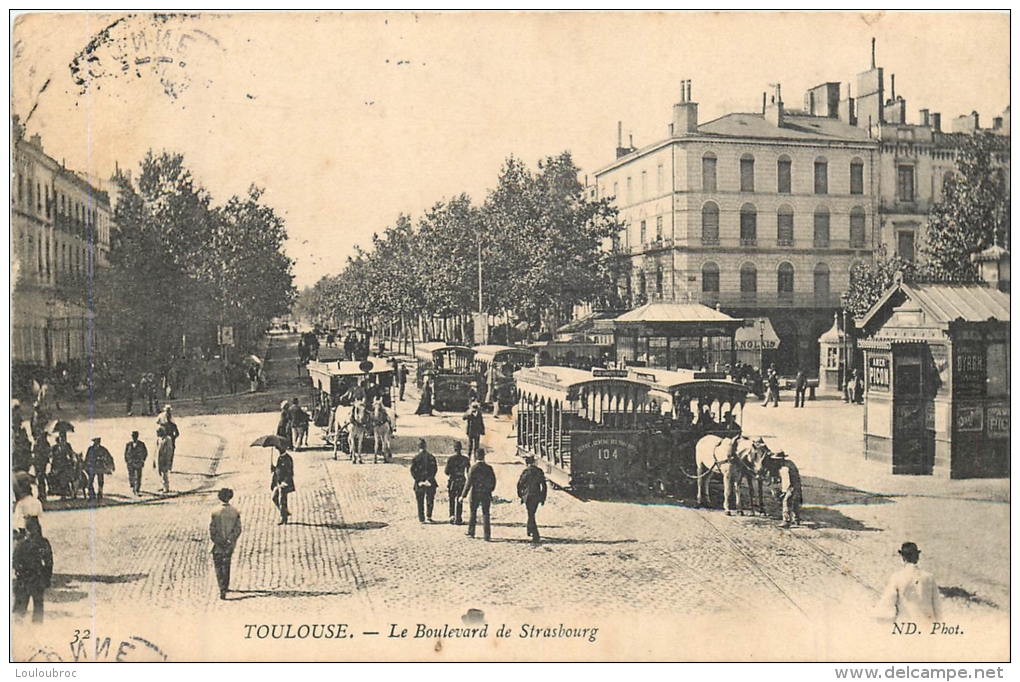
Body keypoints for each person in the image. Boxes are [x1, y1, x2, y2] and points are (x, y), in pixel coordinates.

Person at [876, 542, 941, 623]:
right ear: (917, 557)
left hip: (905, 626)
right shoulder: (929, 577)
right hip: (927, 626)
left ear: (903, 557)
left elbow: (887, 603)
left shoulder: (896, 577)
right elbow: (937, 607)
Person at [12, 516, 52, 623]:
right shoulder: (42, 542)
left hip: (24, 578)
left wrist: (19, 572)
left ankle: (18, 630)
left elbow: (14, 562)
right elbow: (48, 563)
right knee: (37, 607)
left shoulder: (21, 544)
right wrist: (46, 578)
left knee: (21, 609)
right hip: (36, 577)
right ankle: (36, 629)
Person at [209, 488, 242, 600]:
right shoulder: (235, 511)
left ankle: (221, 586)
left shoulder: (215, 512)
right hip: (229, 544)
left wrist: (218, 540)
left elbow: (212, 529)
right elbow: (238, 529)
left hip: (218, 544)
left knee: (218, 565)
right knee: (226, 564)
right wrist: (230, 540)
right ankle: (225, 586)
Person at [461, 447, 496, 541]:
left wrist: (463, 495)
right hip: (485, 494)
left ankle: (471, 532)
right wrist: (489, 490)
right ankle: (487, 535)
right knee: (486, 513)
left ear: (475, 457)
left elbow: (468, 483)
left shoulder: (473, 468)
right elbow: (493, 482)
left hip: (475, 493)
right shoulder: (489, 468)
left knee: (473, 513)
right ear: (484, 456)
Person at [517, 455, 548, 543]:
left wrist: (521, 495)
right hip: (536, 496)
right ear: (534, 462)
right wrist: (543, 497)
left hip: (527, 496)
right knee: (532, 513)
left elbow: (519, 484)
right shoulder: (539, 471)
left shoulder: (525, 472)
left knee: (531, 514)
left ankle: (535, 534)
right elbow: (544, 486)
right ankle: (531, 531)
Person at [770, 451, 802, 527]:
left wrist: (784, 492)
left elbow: (786, 481)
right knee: (795, 501)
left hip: (791, 486)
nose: (775, 461)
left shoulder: (784, 468)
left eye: (776, 460)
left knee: (786, 501)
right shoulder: (790, 463)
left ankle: (786, 521)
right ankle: (796, 519)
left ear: (780, 460)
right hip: (797, 485)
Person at [410, 439, 438, 523]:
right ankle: (429, 516)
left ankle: (421, 518)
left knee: (420, 500)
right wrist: (429, 479)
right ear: (425, 446)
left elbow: (412, 471)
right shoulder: (431, 457)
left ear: (418, 447)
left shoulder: (415, 458)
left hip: (419, 482)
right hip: (430, 482)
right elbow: (434, 470)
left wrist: (419, 480)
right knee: (430, 499)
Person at [444, 441, 470, 525]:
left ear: (454, 449)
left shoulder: (451, 459)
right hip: (461, 480)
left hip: (452, 480)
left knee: (451, 499)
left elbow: (446, 472)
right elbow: (468, 472)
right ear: (461, 449)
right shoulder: (465, 459)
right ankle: (458, 517)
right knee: (460, 499)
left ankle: (452, 516)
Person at [85, 437, 115, 502]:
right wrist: (86, 465)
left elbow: (109, 457)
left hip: (100, 467)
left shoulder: (103, 449)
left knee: (100, 481)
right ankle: (91, 495)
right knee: (90, 482)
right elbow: (87, 458)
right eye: (96, 441)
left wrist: (111, 465)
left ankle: (100, 493)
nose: (97, 442)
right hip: (92, 467)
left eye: (98, 441)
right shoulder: (90, 449)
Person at [271, 448, 295, 524]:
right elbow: (279, 470)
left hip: (285, 483)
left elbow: (290, 472)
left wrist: (284, 482)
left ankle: (283, 518)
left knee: (282, 500)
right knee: (274, 497)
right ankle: (285, 512)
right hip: (279, 482)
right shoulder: (280, 458)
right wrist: (274, 469)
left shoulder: (288, 459)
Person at [124, 431, 148, 496]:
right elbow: (125, 453)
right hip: (130, 463)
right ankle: (132, 487)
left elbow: (145, 453)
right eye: (132, 436)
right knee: (131, 476)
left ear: (137, 436)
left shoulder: (141, 444)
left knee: (138, 476)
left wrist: (143, 460)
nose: (133, 437)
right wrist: (127, 461)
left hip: (138, 463)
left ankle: (137, 489)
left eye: (135, 436)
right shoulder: (128, 444)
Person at [31, 431, 51, 502]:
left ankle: (42, 494)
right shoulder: (41, 444)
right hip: (39, 463)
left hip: (40, 463)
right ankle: (42, 494)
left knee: (40, 478)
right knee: (40, 479)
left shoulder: (40, 444)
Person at [155, 426, 175, 494]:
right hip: (159, 458)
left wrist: (168, 460)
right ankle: (162, 486)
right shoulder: (159, 439)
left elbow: (169, 450)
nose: (157, 434)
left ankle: (166, 487)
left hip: (164, 459)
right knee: (160, 472)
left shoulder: (168, 439)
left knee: (165, 473)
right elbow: (156, 449)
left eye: (158, 432)